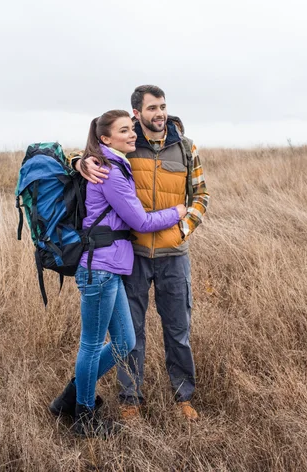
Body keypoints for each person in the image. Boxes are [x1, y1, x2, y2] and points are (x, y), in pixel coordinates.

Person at [49, 110, 187, 438]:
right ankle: (83, 415)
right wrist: (177, 211)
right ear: (105, 139)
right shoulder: (110, 171)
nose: (132, 134)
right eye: (124, 130)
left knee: (125, 341)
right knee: (92, 343)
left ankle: (68, 399)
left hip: (109, 269)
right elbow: (140, 221)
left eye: (131, 128)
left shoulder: (109, 163)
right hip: (99, 270)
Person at [76, 86, 209, 422]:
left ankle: (183, 398)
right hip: (132, 256)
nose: (159, 114)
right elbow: (91, 151)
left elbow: (201, 196)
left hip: (174, 255)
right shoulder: (127, 146)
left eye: (162, 106)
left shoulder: (186, 147)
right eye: (152, 108)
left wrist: (182, 229)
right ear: (137, 114)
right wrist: (79, 161)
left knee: (178, 330)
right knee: (131, 333)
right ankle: (130, 398)